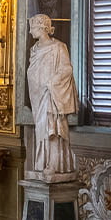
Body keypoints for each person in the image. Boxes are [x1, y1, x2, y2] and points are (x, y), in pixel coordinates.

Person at [25, 13, 78, 178]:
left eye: (33, 28)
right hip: (37, 96)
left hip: (52, 94)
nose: (30, 32)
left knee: (53, 128)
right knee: (41, 129)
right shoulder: (34, 50)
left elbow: (67, 69)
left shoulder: (58, 47)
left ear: (42, 28)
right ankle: (42, 162)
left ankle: (54, 163)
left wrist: (53, 82)